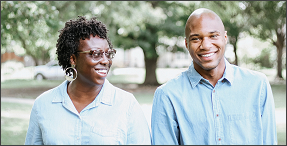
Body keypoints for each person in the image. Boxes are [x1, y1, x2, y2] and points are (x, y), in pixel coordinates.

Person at [151, 8, 277, 145]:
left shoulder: (258, 86)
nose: (205, 45)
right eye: (196, 38)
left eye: (213, 36)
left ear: (225, 38)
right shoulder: (167, 95)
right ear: (186, 44)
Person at [25, 16, 151, 145]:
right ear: (73, 59)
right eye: (96, 54)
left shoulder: (127, 105)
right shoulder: (43, 105)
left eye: (108, 53)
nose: (105, 60)